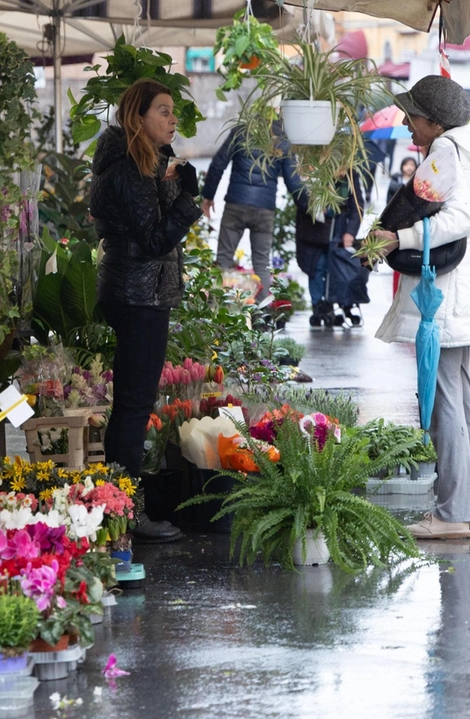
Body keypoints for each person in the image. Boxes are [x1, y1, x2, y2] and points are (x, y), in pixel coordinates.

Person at [369, 75, 470, 540]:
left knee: (444, 399)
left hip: (447, 296)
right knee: (459, 399)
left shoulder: (448, 151)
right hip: (459, 293)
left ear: (433, 120)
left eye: (411, 116)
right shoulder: (463, 150)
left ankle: (451, 513)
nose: (406, 123)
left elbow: (463, 218)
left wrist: (398, 237)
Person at [90, 78, 202, 542]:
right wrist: (189, 203)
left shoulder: (141, 165)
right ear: (137, 118)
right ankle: (125, 512)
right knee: (133, 408)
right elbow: (156, 239)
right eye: (163, 111)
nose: (173, 119)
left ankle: (120, 506)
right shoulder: (128, 170)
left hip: (140, 292)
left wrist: (177, 189)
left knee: (133, 406)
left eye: (173, 111)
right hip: (139, 297)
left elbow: (151, 226)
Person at [202, 122, 303, 299]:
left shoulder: (240, 131)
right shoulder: (282, 139)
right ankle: (261, 316)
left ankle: (217, 312)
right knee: (262, 263)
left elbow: (219, 164)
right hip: (264, 209)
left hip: (236, 204)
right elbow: (293, 181)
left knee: (224, 260)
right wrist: (311, 207)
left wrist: (208, 196)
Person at [294, 169, 369, 326]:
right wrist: (313, 204)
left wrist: (350, 232)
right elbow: (300, 194)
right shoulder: (313, 167)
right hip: (314, 229)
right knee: (316, 266)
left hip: (339, 228)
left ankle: (338, 303)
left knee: (338, 269)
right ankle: (318, 306)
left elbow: (357, 204)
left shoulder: (351, 173)